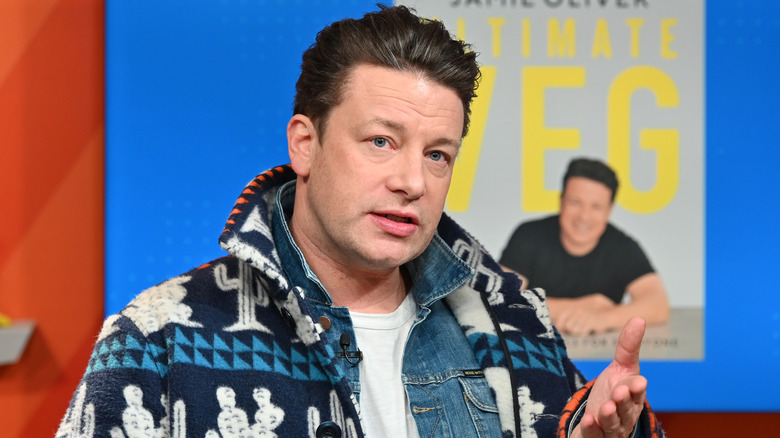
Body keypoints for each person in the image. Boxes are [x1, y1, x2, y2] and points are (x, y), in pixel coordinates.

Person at [56, 6, 664, 438]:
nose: (412, 181)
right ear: (306, 144)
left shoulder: (515, 319)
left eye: (437, 154)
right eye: (381, 142)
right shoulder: (160, 337)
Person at [500, 158, 670, 336]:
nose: (584, 216)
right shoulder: (529, 235)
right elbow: (499, 301)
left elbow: (658, 305)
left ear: (609, 211)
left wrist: (602, 318)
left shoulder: (623, 248)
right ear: (561, 201)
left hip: (603, 350)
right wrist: (582, 306)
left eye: (596, 207)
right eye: (575, 202)